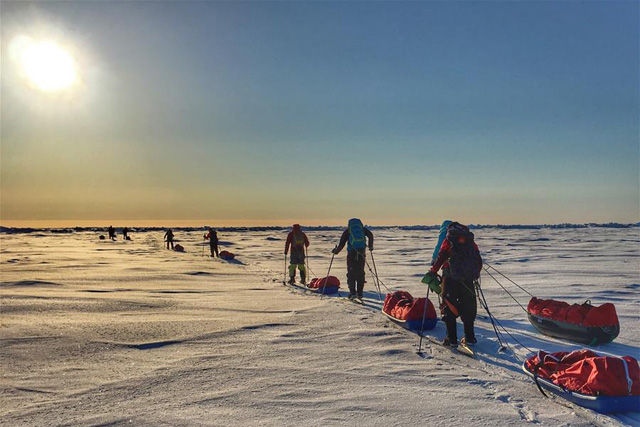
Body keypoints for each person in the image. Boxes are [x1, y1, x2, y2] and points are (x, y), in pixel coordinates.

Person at [425, 222, 482, 348]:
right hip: (468, 280)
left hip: (450, 279)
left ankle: (451, 340)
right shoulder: (470, 242)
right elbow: (478, 261)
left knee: (448, 307)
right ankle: (470, 338)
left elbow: (441, 257)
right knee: (468, 308)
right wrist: (473, 274)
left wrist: (433, 271)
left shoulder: (449, 241)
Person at [332, 218, 374, 300]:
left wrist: (336, 251)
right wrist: (370, 246)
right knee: (360, 273)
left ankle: (352, 293)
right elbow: (370, 235)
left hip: (351, 254)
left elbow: (342, 243)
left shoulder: (348, 231)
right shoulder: (363, 230)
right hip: (361, 253)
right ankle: (360, 293)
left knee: (351, 273)